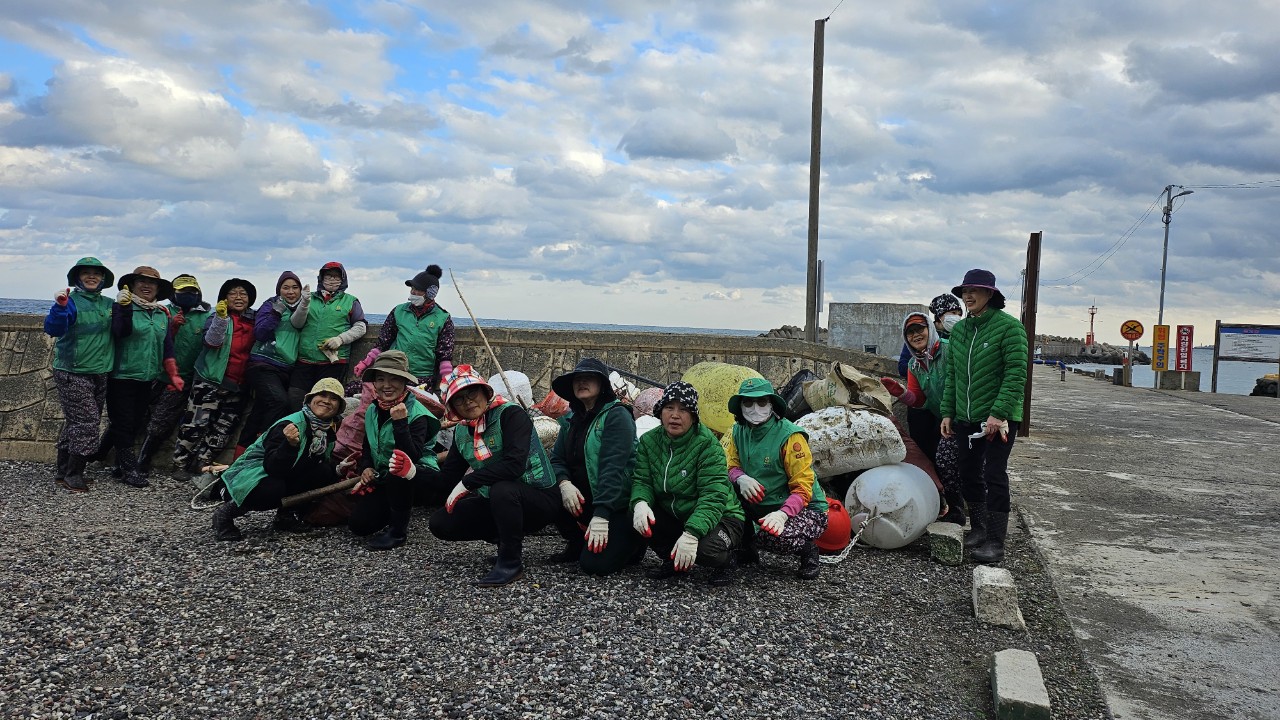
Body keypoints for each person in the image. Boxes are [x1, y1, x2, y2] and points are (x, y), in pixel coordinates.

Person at [427, 365, 560, 588]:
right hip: (500, 501)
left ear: (485, 392)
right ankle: (505, 537)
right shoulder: (461, 431)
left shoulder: (511, 414)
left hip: (539, 498)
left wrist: (468, 482)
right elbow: (447, 479)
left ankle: (510, 562)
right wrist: (411, 474)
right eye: (459, 400)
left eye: (472, 393)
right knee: (441, 522)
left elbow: (514, 466)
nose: (468, 401)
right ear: (452, 407)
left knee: (503, 488)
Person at [940, 269, 1028, 564]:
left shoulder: (1010, 328)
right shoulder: (961, 331)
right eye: (964, 290)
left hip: (998, 419)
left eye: (975, 290)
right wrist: (948, 412)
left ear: (990, 293)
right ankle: (977, 528)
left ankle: (995, 541)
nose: (967, 295)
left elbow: (1016, 375)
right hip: (966, 417)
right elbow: (952, 375)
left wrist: (998, 413)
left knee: (994, 473)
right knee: (968, 472)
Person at [630, 381, 744, 586]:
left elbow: (713, 497)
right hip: (679, 514)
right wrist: (640, 502)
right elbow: (642, 480)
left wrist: (691, 535)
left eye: (683, 409)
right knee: (638, 514)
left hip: (723, 516)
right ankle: (673, 560)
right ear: (660, 411)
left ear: (693, 416)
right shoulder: (648, 441)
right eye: (669, 408)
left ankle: (729, 559)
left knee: (704, 551)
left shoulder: (708, 445)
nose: (675, 415)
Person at [211, 378, 344, 541]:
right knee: (272, 488)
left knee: (323, 472)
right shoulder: (290, 424)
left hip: (286, 471)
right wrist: (290, 445)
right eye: (322, 395)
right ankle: (226, 514)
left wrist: (339, 468)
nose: (326, 401)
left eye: (334, 398)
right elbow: (272, 467)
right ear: (310, 399)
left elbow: (319, 461)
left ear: (339, 408)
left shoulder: (326, 432)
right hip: (250, 474)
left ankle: (285, 516)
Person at [723, 377, 827, 580]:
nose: (755, 408)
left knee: (773, 537)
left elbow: (803, 487)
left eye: (762, 402)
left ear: (772, 405)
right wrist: (740, 477)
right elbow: (730, 464)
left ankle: (808, 551)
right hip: (761, 504)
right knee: (724, 492)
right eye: (748, 403)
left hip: (803, 509)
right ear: (740, 406)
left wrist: (782, 514)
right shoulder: (738, 431)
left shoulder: (791, 437)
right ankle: (746, 549)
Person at [547, 358, 641, 575]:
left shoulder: (617, 415)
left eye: (589, 378)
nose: (582, 382)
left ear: (602, 385)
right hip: (582, 498)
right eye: (577, 379)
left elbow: (613, 467)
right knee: (547, 492)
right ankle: (577, 540)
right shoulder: (570, 419)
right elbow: (557, 459)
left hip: (616, 504)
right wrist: (564, 483)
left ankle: (634, 541)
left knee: (595, 566)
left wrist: (601, 515)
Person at [347, 350, 445, 551]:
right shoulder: (374, 409)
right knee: (359, 525)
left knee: (399, 473)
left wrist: (400, 423)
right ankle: (397, 507)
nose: (386, 385)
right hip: (387, 475)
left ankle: (398, 532)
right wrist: (366, 467)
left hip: (418, 475)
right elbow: (368, 445)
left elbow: (411, 456)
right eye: (380, 379)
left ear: (404, 382)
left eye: (393, 379)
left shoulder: (418, 414)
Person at [881, 310, 966, 524]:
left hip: (965, 415)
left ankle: (973, 513)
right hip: (944, 418)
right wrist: (900, 393)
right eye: (910, 332)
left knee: (969, 466)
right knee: (945, 461)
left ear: (930, 329)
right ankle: (956, 510)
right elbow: (919, 400)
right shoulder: (913, 365)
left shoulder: (949, 351)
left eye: (920, 329)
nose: (916, 335)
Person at [107, 266, 183, 488]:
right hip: (121, 375)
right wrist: (122, 308)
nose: (147, 286)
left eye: (152, 283)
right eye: (141, 281)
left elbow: (167, 346)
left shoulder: (161, 314)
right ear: (131, 285)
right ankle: (130, 469)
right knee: (122, 422)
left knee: (136, 421)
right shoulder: (123, 306)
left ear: (158, 289)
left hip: (148, 377)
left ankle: (118, 464)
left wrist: (173, 374)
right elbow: (120, 331)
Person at [44, 257, 116, 492]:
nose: (91, 277)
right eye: (85, 273)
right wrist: (60, 308)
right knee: (86, 423)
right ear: (77, 278)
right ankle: (74, 473)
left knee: (75, 422)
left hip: (100, 371)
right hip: (72, 371)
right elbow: (53, 328)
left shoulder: (109, 304)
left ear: (103, 279)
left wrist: (126, 308)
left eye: (96, 273)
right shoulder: (71, 302)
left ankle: (63, 470)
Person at [172, 278, 257, 476]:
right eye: (233, 293)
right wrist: (221, 318)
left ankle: (203, 462)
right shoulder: (217, 316)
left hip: (239, 383)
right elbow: (211, 342)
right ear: (224, 298)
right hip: (210, 378)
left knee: (223, 428)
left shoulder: (254, 319)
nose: (238, 297)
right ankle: (180, 463)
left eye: (243, 294)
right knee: (195, 423)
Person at [135, 273, 211, 473]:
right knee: (133, 416)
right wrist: (172, 328)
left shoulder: (206, 316)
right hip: (151, 373)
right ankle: (111, 456)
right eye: (183, 291)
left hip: (180, 378)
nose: (188, 294)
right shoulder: (162, 311)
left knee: (161, 421)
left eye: (192, 291)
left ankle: (143, 461)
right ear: (173, 294)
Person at [237, 271, 309, 455]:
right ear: (279, 290)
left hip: (285, 368)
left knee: (259, 410)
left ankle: (240, 455)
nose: (290, 292)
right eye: (286, 287)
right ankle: (263, 445)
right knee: (279, 402)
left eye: (295, 287)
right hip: (262, 364)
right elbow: (260, 333)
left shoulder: (304, 308)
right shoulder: (270, 305)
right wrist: (276, 314)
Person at [291, 261, 366, 407]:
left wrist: (340, 339)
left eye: (336, 276)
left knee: (325, 404)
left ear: (343, 279)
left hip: (333, 362)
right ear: (321, 278)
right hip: (304, 360)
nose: (332, 279)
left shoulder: (351, 301)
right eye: (328, 276)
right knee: (294, 399)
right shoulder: (308, 297)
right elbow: (296, 323)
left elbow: (361, 326)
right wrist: (304, 302)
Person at [368, 264, 455, 389]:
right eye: (412, 289)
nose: (413, 292)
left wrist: (447, 378)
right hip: (395, 371)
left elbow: (445, 352)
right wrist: (367, 362)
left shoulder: (442, 318)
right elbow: (384, 341)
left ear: (430, 294)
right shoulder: (399, 311)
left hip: (423, 375)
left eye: (418, 289)